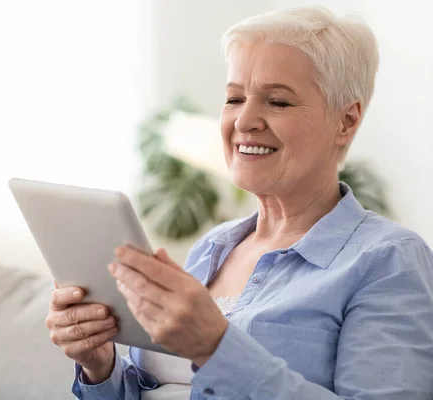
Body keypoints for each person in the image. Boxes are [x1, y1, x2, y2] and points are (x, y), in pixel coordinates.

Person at [45, 6, 433, 399]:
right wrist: (101, 365)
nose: (244, 120)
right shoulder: (212, 247)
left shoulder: (387, 260)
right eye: (234, 98)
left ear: (346, 121)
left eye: (278, 102)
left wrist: (216, 347)